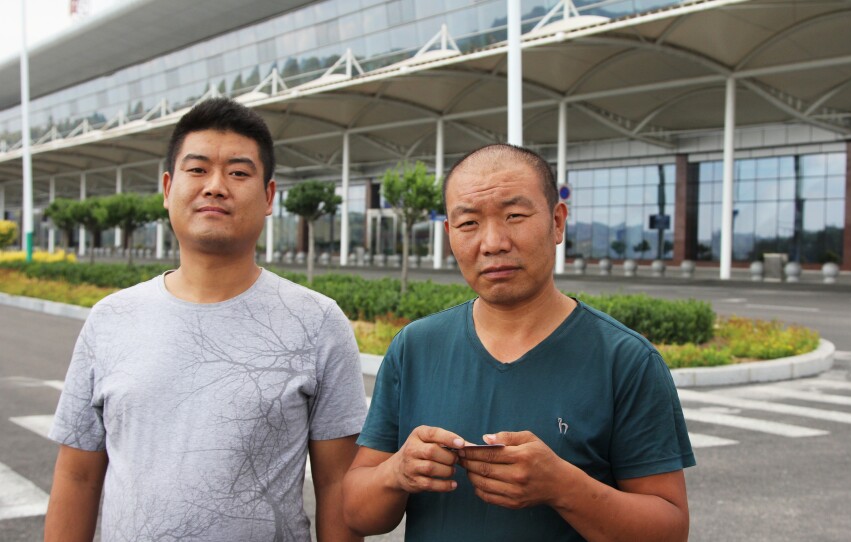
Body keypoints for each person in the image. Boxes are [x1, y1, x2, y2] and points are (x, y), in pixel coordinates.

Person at [44, 97, 367, 542]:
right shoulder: (111, 319)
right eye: (197, 169)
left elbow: (336, 484)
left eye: (238, 173)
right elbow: (77, 476)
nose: (215, 186)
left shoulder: (317, 322)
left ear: (269, 196)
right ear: (167, 188)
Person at [342, 143, 695, 541]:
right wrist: (397, 472)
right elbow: (356, 513)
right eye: (469, 223)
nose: (493, 242)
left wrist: (563, 487)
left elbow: (669, 531)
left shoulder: (626, 360)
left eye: (514, 216)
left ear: (557, 222)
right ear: (449, 235)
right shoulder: (416, 348)